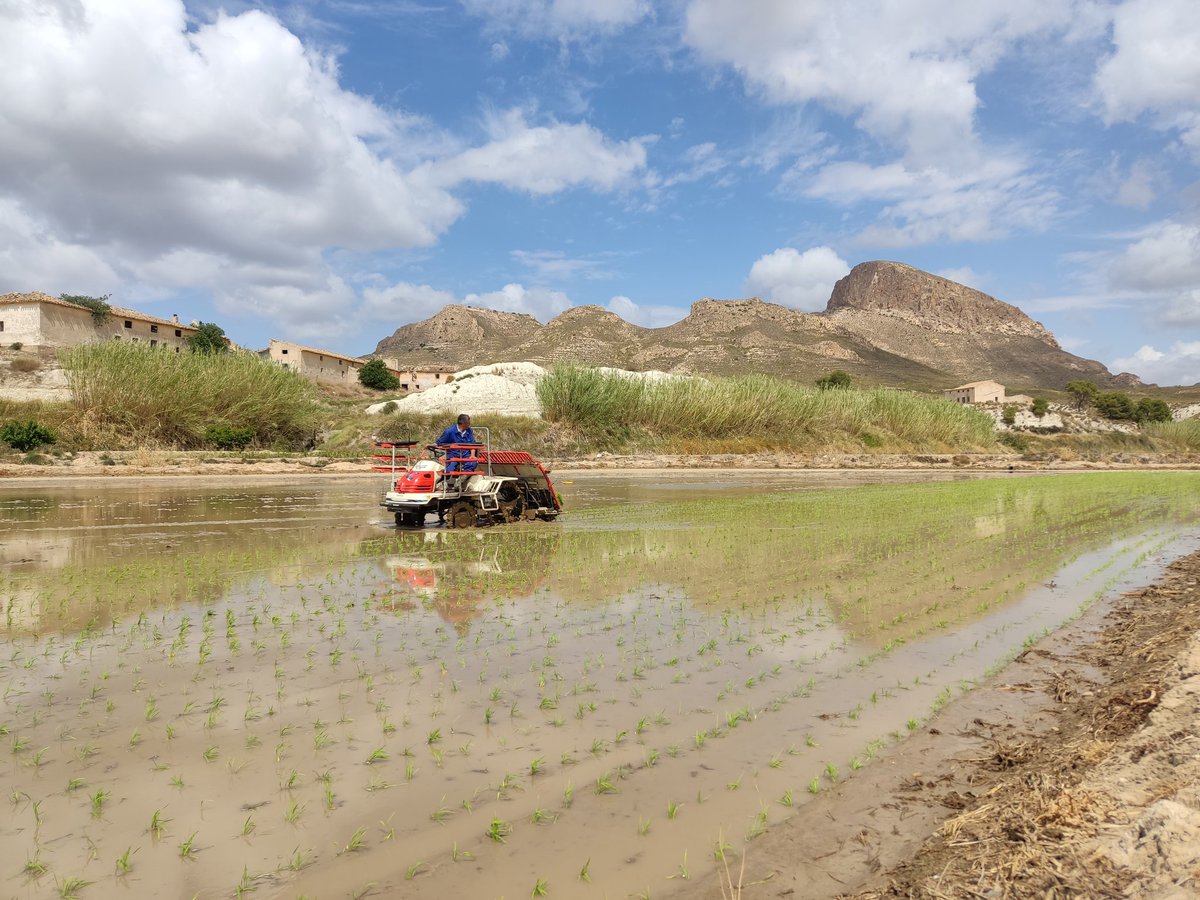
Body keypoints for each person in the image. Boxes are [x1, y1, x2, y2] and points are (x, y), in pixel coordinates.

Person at [436, 414, 478, 484]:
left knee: (472, 462)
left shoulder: (469, 431)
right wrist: (430, 445)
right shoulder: (449, 431)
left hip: (465, 454)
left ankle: (461, 480)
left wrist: (472, 455)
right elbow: (439, 442)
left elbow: (472, 444)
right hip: (453, 454)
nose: (469, 424)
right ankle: (443, 482)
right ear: (463, 423)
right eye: (468, 422)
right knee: (451, 466)